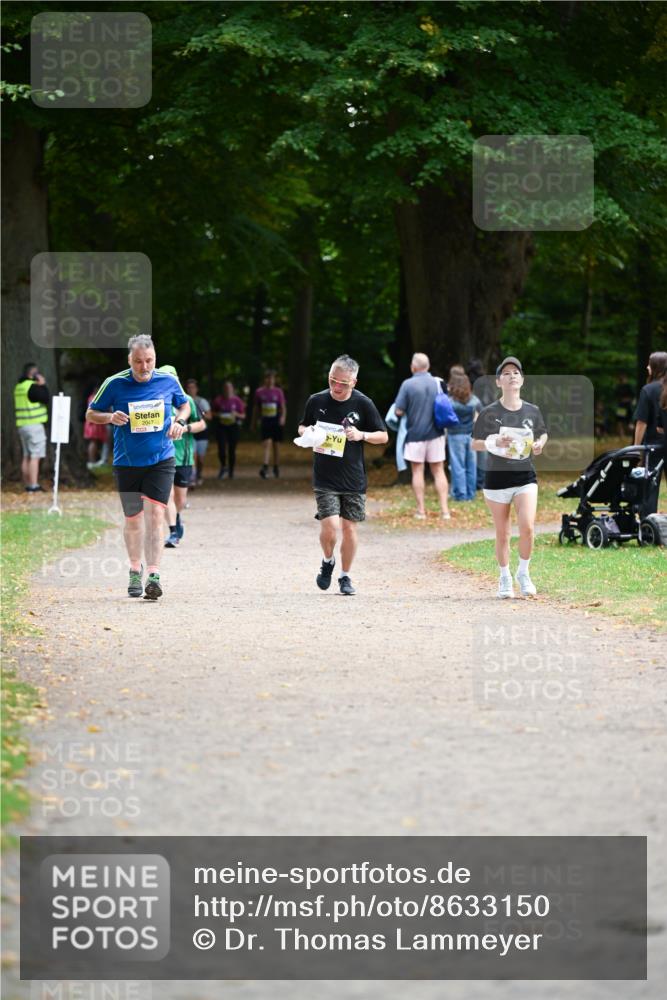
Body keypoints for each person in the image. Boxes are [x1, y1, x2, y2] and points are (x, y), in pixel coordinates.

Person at [86, 335, 189, 601]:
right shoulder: (115, 383)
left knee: (155, 515)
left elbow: (185, 404)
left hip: (161, 459)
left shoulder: (168, 380)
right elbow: (90, 413)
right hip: (127, 462)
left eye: (149, 361)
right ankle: (135, 569)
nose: (144, 367)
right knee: (133, 519)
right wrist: (110, 417)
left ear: (155, 358)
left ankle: (153, 575)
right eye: (138, 362)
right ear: (129, 360)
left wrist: (179, 421)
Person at [298, 354, 388, 595]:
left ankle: (345, 577)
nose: (337, 387)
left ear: (354, 382)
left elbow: (383, 435)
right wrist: (310, 433)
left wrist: (362, 435)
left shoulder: (363, 404)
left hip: (353, 478)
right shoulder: (316, 400)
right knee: (330, 527)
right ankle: (328, 561)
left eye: (343, 384)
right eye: (332, 381)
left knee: (349, 528)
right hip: (325, 476)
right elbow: (302, 425)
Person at [472, 356, 548, 599]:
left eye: (516, 372)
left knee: (527, 527)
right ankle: (504, 578)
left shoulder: (532, 410)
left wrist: (538, 445)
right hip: (496, 480)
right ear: (498, 382)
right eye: (506, 373)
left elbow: (543, 434)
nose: (512, 375)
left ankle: (523, 573)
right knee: (503, 533)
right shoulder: (489, 412)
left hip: (525, 476)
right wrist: (495, 441)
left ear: (522, 380)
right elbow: (474, 444)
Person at [393, 353, 451, 519]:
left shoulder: (408, 384)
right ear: (428, 366)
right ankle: (445, 511)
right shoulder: (438, 383)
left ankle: (421, 511)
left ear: (413, 366)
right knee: (439, 470)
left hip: (415, 434)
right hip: (437, 434)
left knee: (417, 471)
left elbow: (399, 410)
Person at [159, 366, 206, 548]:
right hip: (163, 457)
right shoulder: (157, 401)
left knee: (180, 500)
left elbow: (202, 424)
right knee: (166, 495)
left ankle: (176, 516)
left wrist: (184, 428)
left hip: (184, 458)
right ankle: (172, 532)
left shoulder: (187, 401)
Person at [633, 351, 667, 517]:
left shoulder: (648, 390)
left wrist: (636, 448)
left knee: (650, 488)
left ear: (656, 367)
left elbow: (641, 423)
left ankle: (648, 525)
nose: (647, 367)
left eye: (649, 364)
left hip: (653, 447)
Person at [14, 362, 50, 492]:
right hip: (34, 425)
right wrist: (43, 385)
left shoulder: (19, 386)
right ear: (33, 373)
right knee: (35, 456)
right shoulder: (32, 387)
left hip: (22, 425)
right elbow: (45, 398)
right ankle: (34, 486)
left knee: (26, 456)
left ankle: (27, 484)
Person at [447, 373, 481, 501]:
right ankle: (470, 494)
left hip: (455, 435)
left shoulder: (450, 402)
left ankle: (461, 495)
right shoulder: (474, 400)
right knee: (471, 466)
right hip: (471, 436)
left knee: (458, 466)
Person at [252, 371, 286, 478]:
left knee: (276, 445)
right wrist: (254, 422)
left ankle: (276, 466)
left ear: (274, 380)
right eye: (268, 378)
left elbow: (283, 407)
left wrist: (282, 418)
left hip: (276, 420)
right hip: (265, 420)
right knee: (267, 443)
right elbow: (256, 408)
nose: (270, 380)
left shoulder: (278, 392)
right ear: (265, 379)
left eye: (272, 378)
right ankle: (265, 466)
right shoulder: (259, 392)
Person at [212, 380, 246, 479]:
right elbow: (212, 413)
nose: (227, 390)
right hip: (221, 427)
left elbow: (243, 415)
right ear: (223, 389)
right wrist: (218, 414)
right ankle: (223, 466)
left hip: (233, 427)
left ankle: (231, 471)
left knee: (232, 450)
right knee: (221, 448)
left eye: (229, 388)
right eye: (226, 388)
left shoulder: (237, 401)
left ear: (232, 389)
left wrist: (236, 414)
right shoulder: (218, 400)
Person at [184, 378, 211, 485]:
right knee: (193, 455)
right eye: (189, 388)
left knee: (200, 458)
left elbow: (210, 416)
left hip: (202, 431)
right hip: (190, 431)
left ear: (197, 389)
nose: (191, 390)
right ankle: (193, 478)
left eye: (193, 387)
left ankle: (199, 474)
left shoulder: (202, 401)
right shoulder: (183, 401)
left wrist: (201, 415)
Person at [83, 385, 111, 467]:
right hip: (94, 423)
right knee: (94, 442)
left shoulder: (92, 397)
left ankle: (93, 461)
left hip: (94, 422)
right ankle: (92, 461)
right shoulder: (95, 397)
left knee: (95, 442)